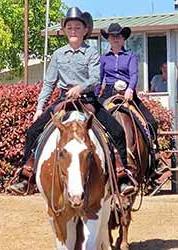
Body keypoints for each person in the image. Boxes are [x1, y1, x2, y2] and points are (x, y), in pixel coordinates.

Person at [8, 7, 135, 195]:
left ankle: (121, 175)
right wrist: (39, 107)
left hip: (88, 101)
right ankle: (25, 176)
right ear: (65, 31)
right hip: (63, 101)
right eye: (70, 28)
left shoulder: (92, 53)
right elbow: (49, 83)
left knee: (116, 131)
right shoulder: (58, 55)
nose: (73, 31)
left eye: (77, 27)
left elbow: (94, 79)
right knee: (33, 131)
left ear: (85, 31)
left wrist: (80, 88)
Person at [95, 22, 159, 168]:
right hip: (109, 91)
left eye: (119, 36)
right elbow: (99, 79)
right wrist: (95, 95)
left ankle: (154, 153)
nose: (116, 39)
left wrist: (130, 88)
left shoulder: (130, 56)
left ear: (123, 39)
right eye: (113, 37)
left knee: (150, 122)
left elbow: (134, 74)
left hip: (128, 92)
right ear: (109, 39)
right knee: (93, 119)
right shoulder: (103, 58)